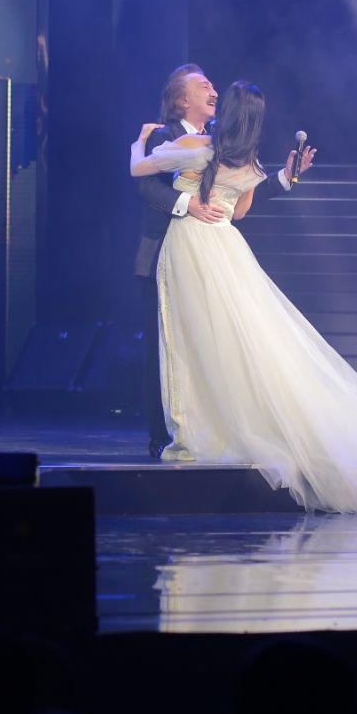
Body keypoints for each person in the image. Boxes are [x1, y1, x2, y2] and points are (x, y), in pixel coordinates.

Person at [131, 79, 357, 513]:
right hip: (225, 248)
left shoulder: (196, 145)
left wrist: (140, 143)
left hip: (193, 245)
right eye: (205, 87)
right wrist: (236, 189)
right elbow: (236, 210)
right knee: (237, 338)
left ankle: (203, 427)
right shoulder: (243, 159)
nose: (213, 93)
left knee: (202, 339)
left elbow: (141, 173)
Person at [134, 64, 314, 457]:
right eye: (204, 86)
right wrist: (188, 203)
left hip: (208, 252)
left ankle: (214, 427)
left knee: (214, 340)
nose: (213, 91)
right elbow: (145, 185)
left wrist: (286, 178)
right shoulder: (166, 135)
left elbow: (238, 197)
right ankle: (163, 434)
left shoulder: (223, 142)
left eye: (214, 86)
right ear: (182, 99)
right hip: (165, 250)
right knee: (165, 346)